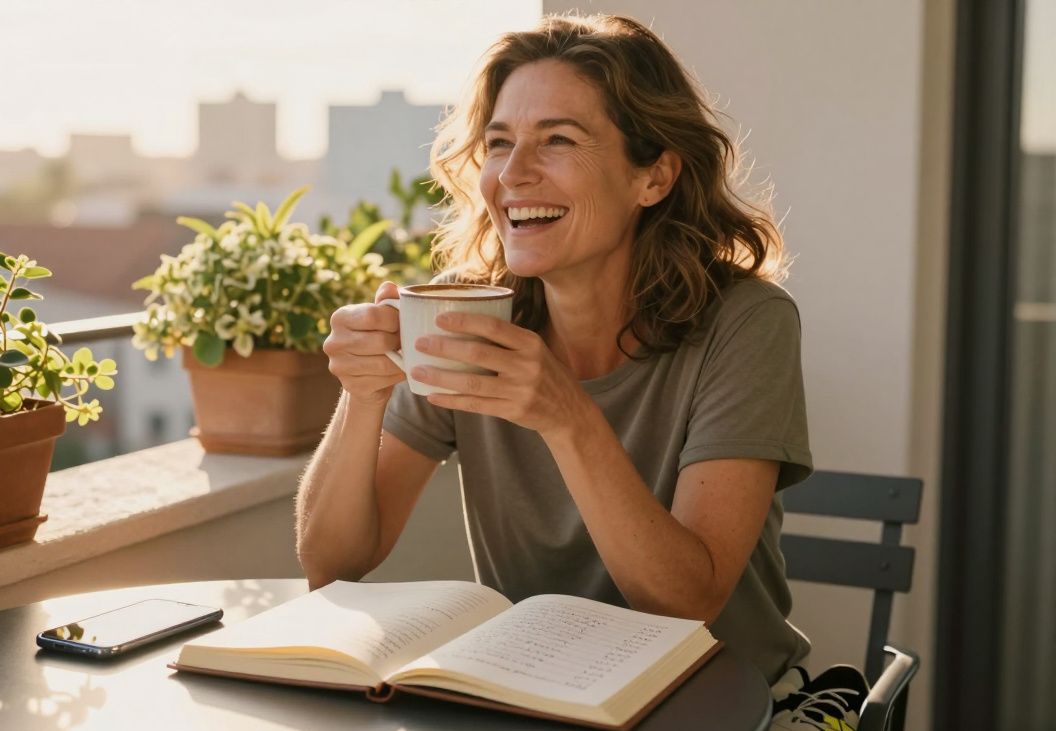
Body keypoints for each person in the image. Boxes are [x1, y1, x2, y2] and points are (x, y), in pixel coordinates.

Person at [295, 14, 813, 687]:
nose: (513, 174)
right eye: (499, 143)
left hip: (723, 701)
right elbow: (332, 564)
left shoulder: (746, 323)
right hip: (534, 695)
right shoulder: (464, 317)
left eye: (558, 140)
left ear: (653, 177)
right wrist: (362, 397)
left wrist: (567, 417)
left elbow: (687, 604)